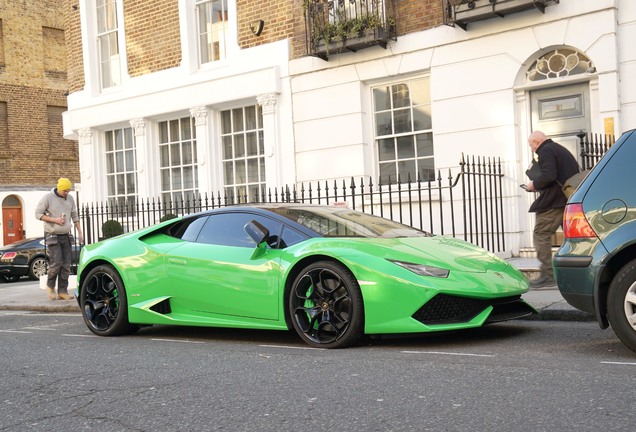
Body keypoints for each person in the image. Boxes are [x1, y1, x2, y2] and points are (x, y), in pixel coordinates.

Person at [525, 131, 580, 289]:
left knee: (541, 233)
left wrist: (534, 184)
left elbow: (549, 175)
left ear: (537, 141)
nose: (532, 149)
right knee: (572, 237)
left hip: (555, 202)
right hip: (567, 199)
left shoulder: (546, 151)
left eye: (531, 145)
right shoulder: (558, 149)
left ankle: (547, 275)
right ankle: (574, 274)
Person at [35, 178, 84, 300]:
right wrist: (55, 220)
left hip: (66, 235)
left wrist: (80, 232)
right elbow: (37, 214)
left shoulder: (70, 199)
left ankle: (63, 292)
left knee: (66, 265)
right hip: (52, 235)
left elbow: (74, 215)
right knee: (56, 263)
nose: (67, 193)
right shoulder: (48, 198)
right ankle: (50, 287)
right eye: (65, 191)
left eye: (68, 191)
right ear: (59, 188)